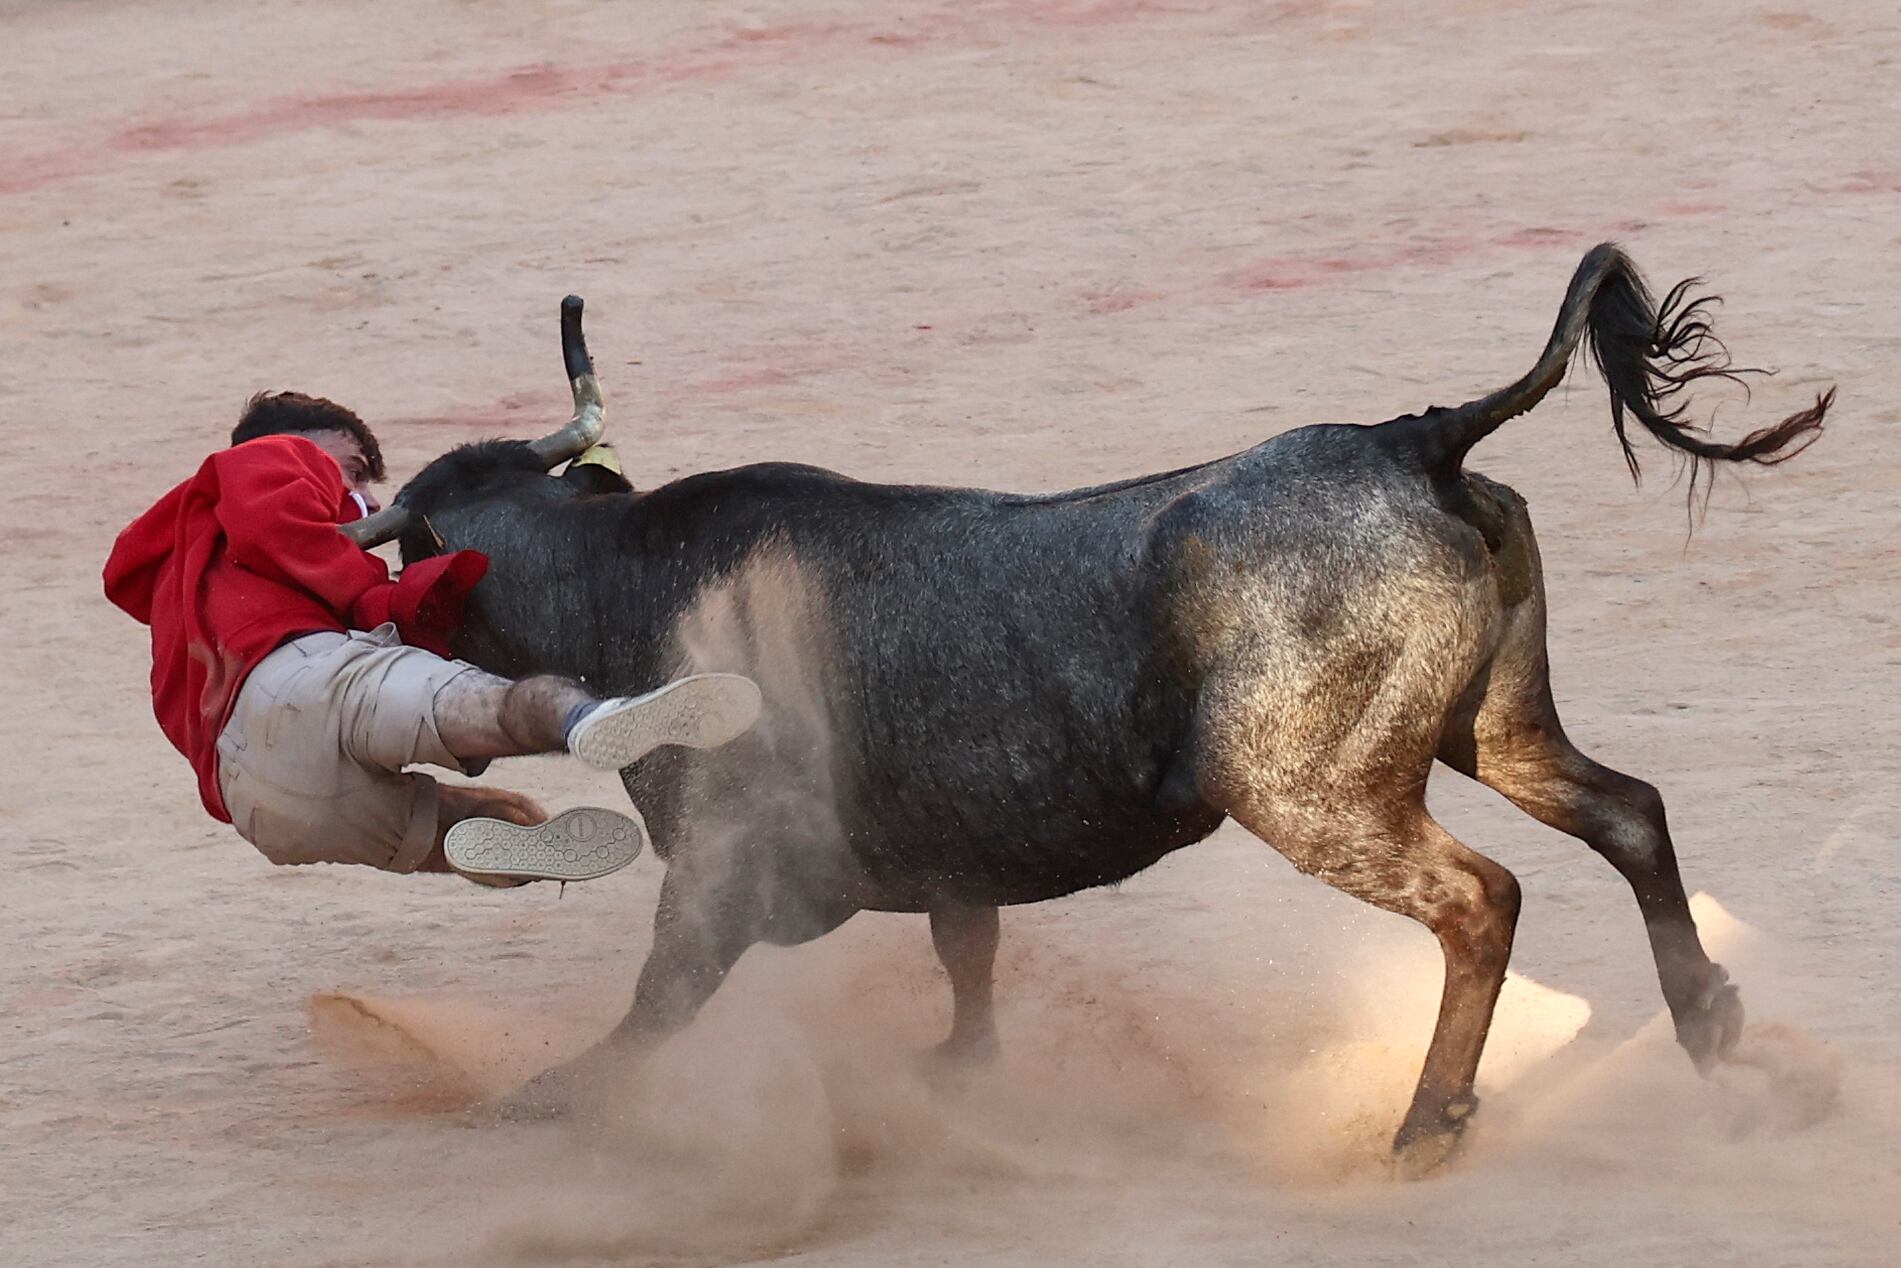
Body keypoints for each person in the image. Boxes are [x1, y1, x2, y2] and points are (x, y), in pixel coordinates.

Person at [103, 390, 759, 886]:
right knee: (501, 706)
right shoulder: (269, 460)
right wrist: (375, 586)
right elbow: (283, 528)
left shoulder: (184, 584)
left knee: (475, 822)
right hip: (304, 680)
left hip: (256, 803)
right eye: (355, 469)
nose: (360, 493)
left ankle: (505, 846)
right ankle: (590, 718)